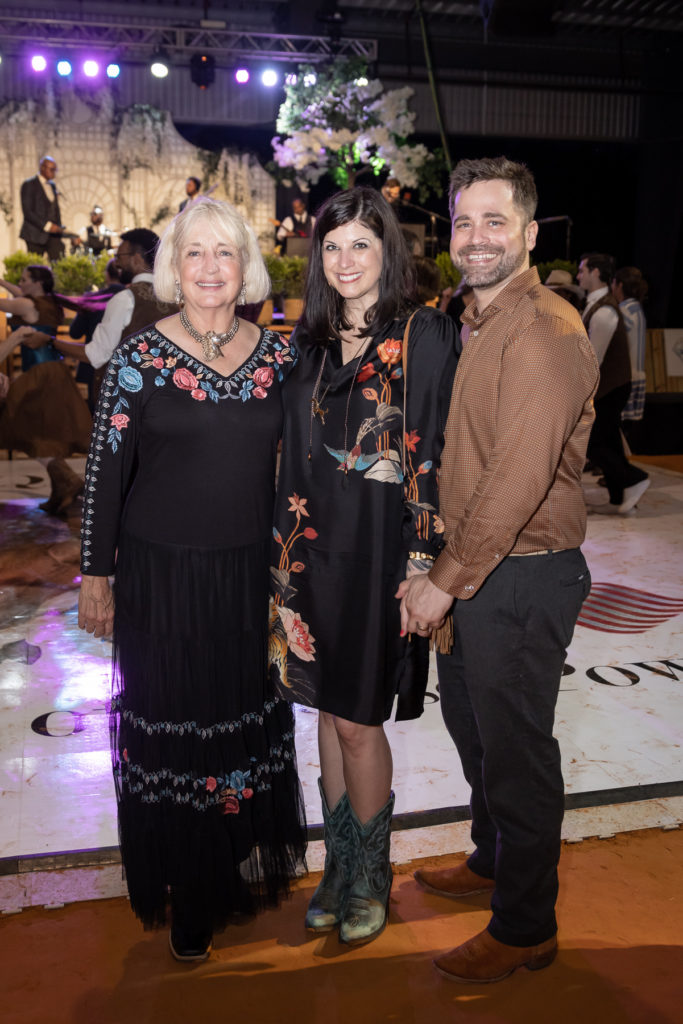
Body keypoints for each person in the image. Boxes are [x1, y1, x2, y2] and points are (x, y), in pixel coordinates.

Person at [77, 197, 306, 963]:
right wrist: (95, 574)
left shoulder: (279, 359)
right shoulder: (138, 358)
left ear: (247, 267)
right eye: (195, 253)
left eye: (225, 253)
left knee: (238, 720)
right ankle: (188, 881)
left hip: (247, 579)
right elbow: (105, 475)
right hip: (161, 580)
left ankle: (228, 856)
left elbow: (303, 470)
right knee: (175, 726)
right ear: (173, 268)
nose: (210, 268)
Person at [398, 156, 599, 983]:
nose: (475, 237)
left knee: (516, 756)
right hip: (480, 568)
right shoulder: (474, 320)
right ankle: (491, 859)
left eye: (494, 221)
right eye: (463, 221)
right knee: (474, 734)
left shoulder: (545, 329)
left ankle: (524, 927)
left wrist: (442, 581)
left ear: (527, 232)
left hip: (519, 573)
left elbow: (516, 477)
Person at [269, 186, 458, 946]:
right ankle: (338, 865)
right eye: (332, 245)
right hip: (302, 557)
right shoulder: (305, 344)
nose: (345, 260)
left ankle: (370, 872)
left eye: (361, 244)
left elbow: (433, 452)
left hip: (381, 559)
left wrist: (424, 563)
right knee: (323, 710)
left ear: (388, 252)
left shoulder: (423, 333)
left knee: (357, 721)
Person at [0, 266, 90, 514]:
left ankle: (67, 481)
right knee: (40, 431)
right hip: (53, 371)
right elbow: (21, 294)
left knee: (17, 423)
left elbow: (8, 303)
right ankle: (62, 487)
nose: (19, 284)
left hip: (38, 375)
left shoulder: (26, 305)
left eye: (24, 280)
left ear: (37, 283)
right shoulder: (48, 302)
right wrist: (3, 282)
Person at [577, 253, 650, 514]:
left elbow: (593, 360)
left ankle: (634, 478)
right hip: (610, 386)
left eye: (583, 270)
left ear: (596, 273)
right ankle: (618, 498)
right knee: (609, 442)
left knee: (593, 442)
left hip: (610, 388)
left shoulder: (605, 311)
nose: (579, 275)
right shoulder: (597, 305)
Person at [52, 229, 177, 371]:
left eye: (119, 256)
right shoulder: (173, 298)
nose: (116, 263)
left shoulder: (125, 299)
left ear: (136, 259)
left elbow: (96, 355)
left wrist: (51, 342)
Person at [68, 259, 125, 411]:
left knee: (94, 411)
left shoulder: (93, 299)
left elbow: (74, 333)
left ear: (107, 275)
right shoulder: (134, 299)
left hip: (92, 366)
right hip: (124, 366)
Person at [612, 266, 648, 427]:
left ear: (619, 285)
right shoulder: (636, 308)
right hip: (634, 376)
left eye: (613, 283)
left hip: (626, 379)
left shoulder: (625, 311)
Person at [19, 156, 67, 260]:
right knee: (35, 265)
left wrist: (58, 227)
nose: (54, 173)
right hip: (35, 234)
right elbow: (28, 212)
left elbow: (55, 210)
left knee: (60, 261)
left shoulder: (52, 186)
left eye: (55, 170)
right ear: (42, 168)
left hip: (53, 235)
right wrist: (48, 226)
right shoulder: (29, 184)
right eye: (52, 169)